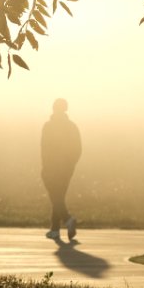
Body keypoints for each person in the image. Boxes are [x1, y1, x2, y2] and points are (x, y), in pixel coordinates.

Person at [41, 98, 82, 241]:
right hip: (66, 168)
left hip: (51, 167)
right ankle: (54, 230)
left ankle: (67, 219)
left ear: (53, 109)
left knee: (55, 197)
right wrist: (70, 164)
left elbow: (44, 149)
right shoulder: (72, 127)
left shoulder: (48, 126)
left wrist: (46, 166)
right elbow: (78, 149)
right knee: (59, 196)